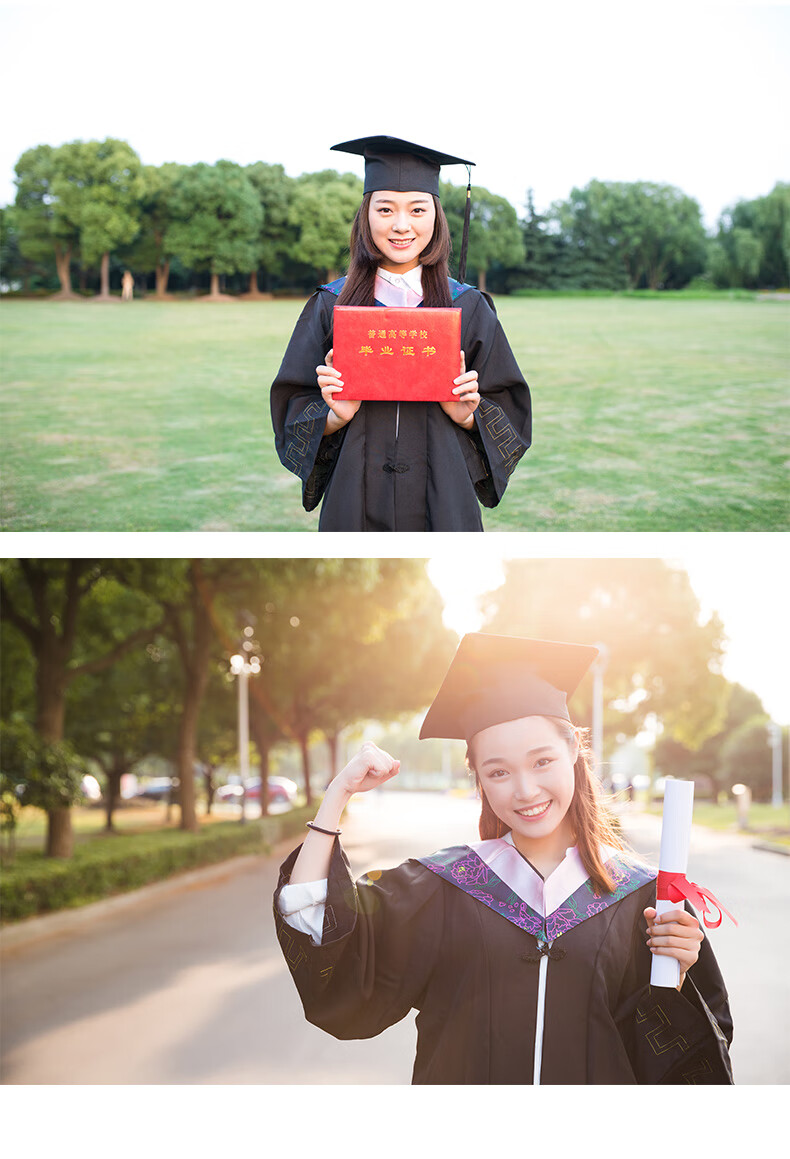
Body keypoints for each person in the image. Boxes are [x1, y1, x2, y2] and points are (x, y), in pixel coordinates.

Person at [274, 633, 734, 1085]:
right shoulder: (442, 886)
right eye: (499, 771)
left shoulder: (642, 897)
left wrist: (677, 976)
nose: (526, 791)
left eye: (542, 761)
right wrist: (337, 796)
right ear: (479, 777)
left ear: (574, 750)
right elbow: (323, 940)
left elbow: (684, 1059)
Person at [270, 136, 532, 531]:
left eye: (417, 209)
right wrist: (332, 417)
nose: (401, 225)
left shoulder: (468, 306)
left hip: (443, 499)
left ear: (436, 217)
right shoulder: (330, 305)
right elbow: (291, 406)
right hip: (353, 499)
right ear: (366, 215)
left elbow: (510, 413)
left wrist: (468, 416)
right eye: (385, 208)